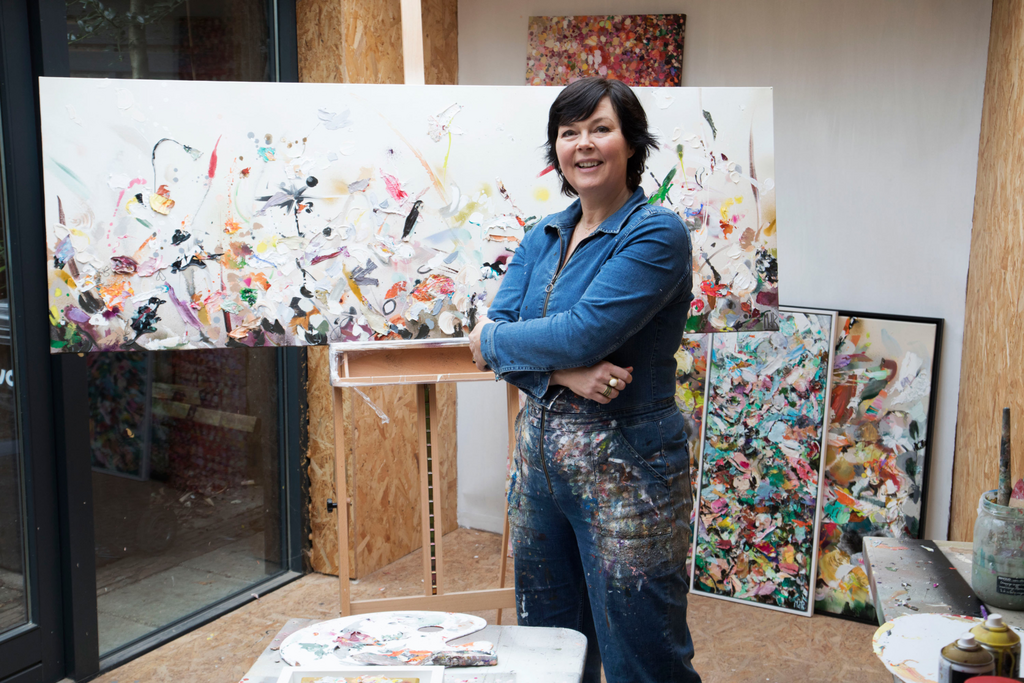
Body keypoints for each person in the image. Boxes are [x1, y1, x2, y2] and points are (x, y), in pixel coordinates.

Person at [467, 78, 701, 683]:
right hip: (538, 467)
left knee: (642, 657)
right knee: (547, 650)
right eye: (569, 133)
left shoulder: (656, 233)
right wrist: (565, 375)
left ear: (632, 143)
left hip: (629, 468)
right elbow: (532, 339)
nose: (583, 144)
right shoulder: (543, 233)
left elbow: (579, 333)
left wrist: (490, 341)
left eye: (601, 128)